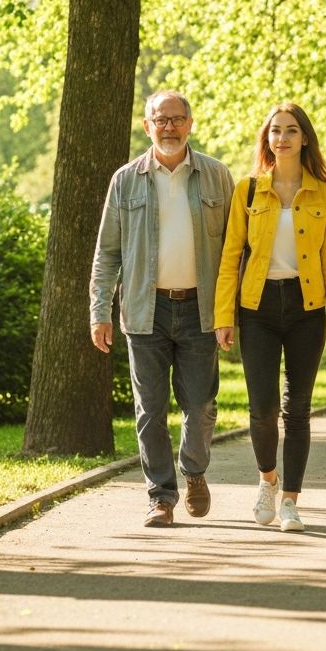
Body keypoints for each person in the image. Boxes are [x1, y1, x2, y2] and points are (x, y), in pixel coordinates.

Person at [89, 90, 235, 527]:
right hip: (143, 309)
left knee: (201, 406)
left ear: (190, 123)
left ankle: (193, 470)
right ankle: (161, 496)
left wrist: (230, 312)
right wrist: (99, 310)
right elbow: (106, 252)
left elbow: (234, 250)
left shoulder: (216, 176)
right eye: (160, 119)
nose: (168, 127)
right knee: (149, 410)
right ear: (147, 126)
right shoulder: (126, 180)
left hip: (200, 310)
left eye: (176, 119)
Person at [213, 104, 326, 533]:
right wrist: (224, 315)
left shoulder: (324, 193)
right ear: (267, 139)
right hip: (258, 308)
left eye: (292, 131)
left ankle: (290, 499)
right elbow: (231, 255)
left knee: (299, 409)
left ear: (305, 138)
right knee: (262, 409)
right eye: (276, 131)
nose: (283, 138)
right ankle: (267, 480)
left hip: (307, 309)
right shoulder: (249, 190)